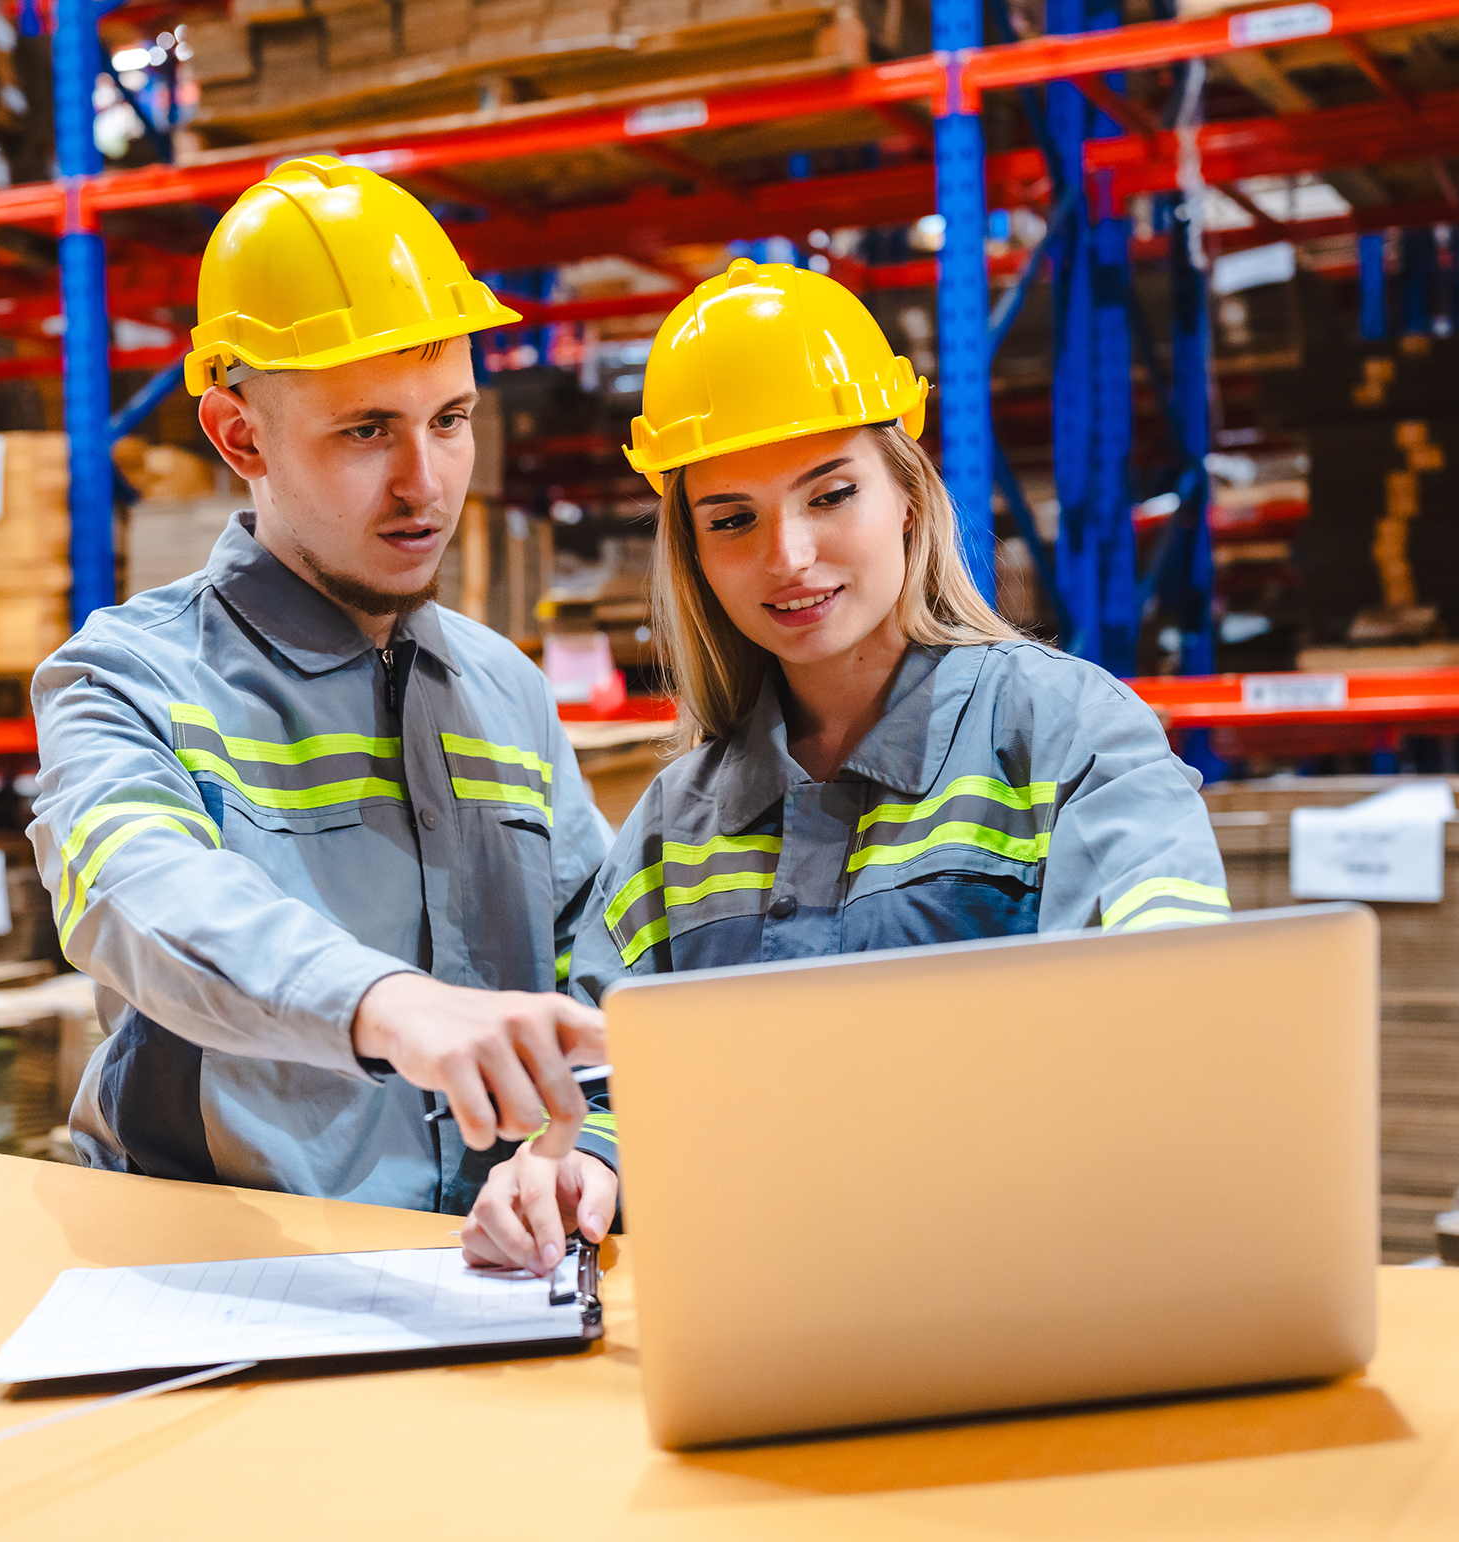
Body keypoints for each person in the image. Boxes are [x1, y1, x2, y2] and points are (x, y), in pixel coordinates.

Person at [461, 258, 1228, 1268]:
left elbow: (1182, 994)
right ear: (691, 552)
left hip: (1027, 1278)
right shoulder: (670, 826)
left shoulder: (1065, 734)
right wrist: (574, 1166)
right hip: (758, 1300)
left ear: (907, 494)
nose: (789, 556)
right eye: (731, 519)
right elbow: (612, 1085)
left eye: (830, 495)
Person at [29, 157, 615, 1273]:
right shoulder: (126, 679)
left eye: (451, 420)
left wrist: (585, 1153)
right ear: (239, 436)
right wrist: (391, 1006)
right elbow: (135, 887)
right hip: (224, 1284)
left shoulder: (507, 694)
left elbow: (606, 959)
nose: (427, 483)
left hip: (491, 1281)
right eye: (365, 432)